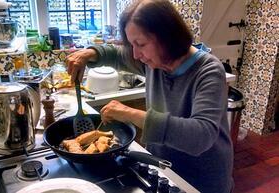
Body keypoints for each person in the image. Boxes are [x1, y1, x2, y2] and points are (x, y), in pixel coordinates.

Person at [66, 0, 234, 192]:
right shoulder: (154, 61)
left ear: (167, 37)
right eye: (131, 44)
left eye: (141, 44)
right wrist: (88, 53)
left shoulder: (208, 71)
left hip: (202, 180)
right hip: (163, 169)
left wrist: (129, 113)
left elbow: (201, 135)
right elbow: (118, 55)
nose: (136, 54)